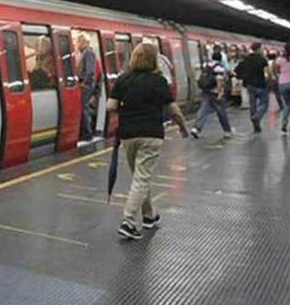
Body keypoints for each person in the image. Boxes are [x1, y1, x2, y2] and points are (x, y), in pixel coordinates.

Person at [108, 44, 190, 240]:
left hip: (128, 135)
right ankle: (128, 221)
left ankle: (149, 216)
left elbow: (111, 106)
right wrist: (183, 127)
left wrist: (128, 110)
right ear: (154, 60)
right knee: (142, 178)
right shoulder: (159, 81)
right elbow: (173, 110)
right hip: (151, 134)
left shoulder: (123, 79)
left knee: (140, 177)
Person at [191, 50, 233, 139]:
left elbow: (195, 68)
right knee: (221, 112)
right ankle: (227, 131)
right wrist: (220, 92)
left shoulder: (205, 65)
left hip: (206, 91)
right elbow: (219, 79)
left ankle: (196, 128)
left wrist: (197, 79)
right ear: (221, 59)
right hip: (215, 92)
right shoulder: (219, 68)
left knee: (203, 110)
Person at [234, 42, 272, 133]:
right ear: (258, 49)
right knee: (264, 103)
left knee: (252, 105)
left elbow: (237, 70)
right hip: (261, 84)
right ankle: (257, 117)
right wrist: (270, 81)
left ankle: (255, 124)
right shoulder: (262, 59)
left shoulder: (246, 58)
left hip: (250, 85)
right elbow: (268, 72)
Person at [273, 44, 290, 136]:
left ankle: (284, 123)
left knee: (287, 105)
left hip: (282, 83)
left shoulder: (279, 60)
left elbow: (276, 70)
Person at [76, 34, 97, 141]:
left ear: (84, 42)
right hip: (85, 84)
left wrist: (84, 83)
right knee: (83, 108)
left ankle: (87, 133)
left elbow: (89, 71)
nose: (77, 44)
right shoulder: (85, 52)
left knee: (83, 108)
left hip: (86, 85)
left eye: (78, 42)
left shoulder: (88, 52)